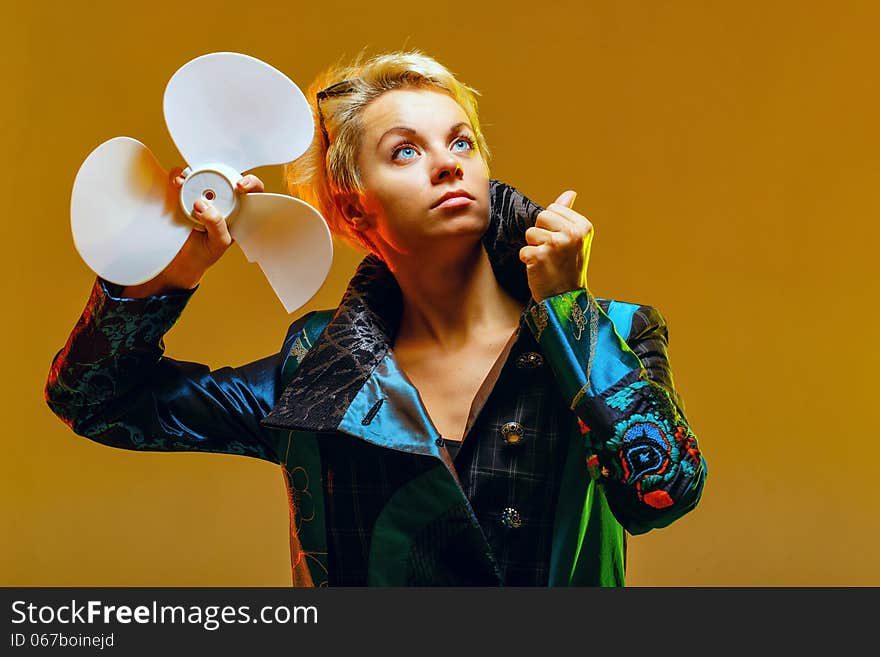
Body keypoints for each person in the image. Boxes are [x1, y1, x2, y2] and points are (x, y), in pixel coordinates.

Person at [45, 50, 706, 587]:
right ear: (354, 209)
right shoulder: (319, 372)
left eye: (462, 142)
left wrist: (567, 309)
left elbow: (665, 490)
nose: (448, 161)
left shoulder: (614, 330)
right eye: (405, 152)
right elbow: (98, 400)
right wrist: (168, 275)